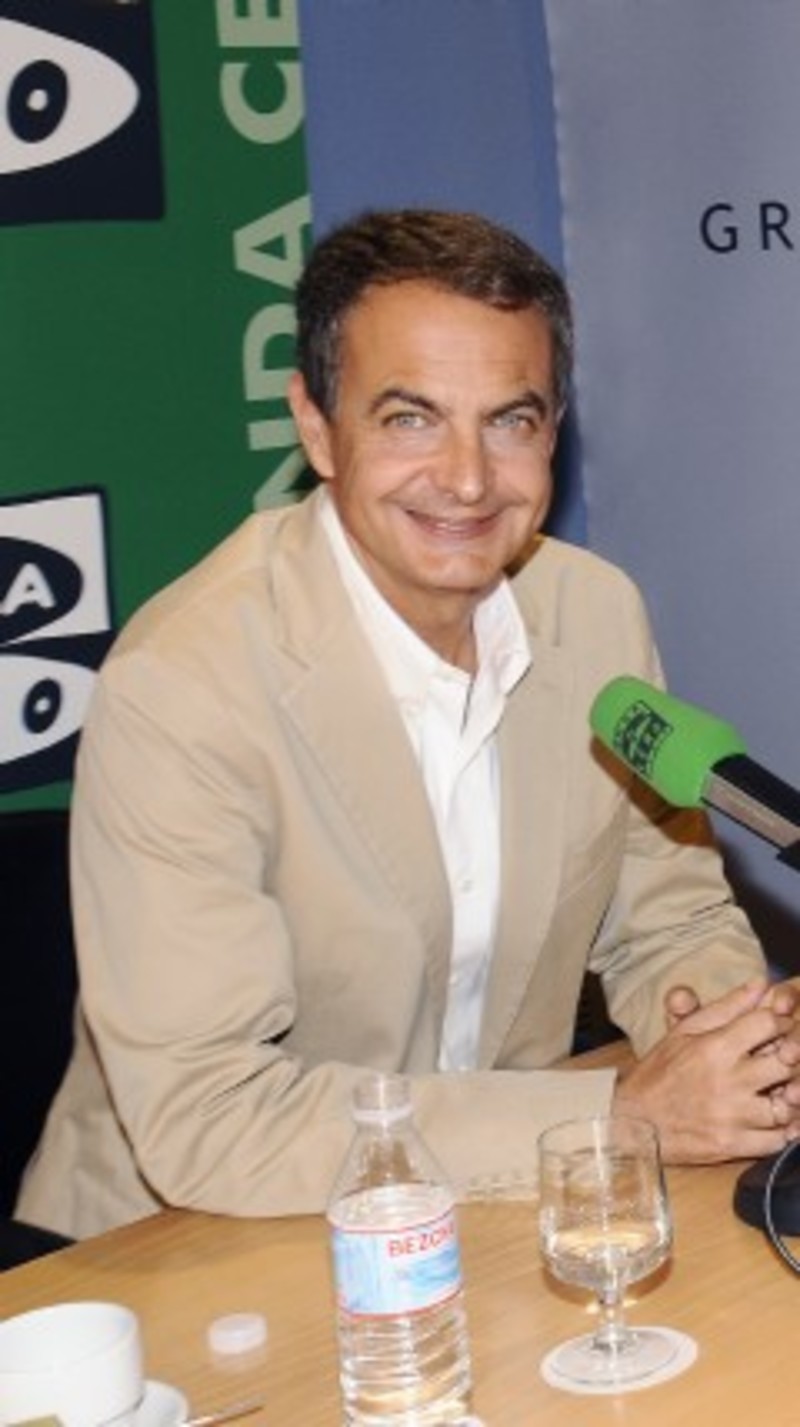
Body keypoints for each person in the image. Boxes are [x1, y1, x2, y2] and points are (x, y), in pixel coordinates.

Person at [17, 209, 800, 1240]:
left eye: (509, 420)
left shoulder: (593, 613)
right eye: (409, 418)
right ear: (315, 427)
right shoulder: (183, 685)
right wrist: (617, 1115)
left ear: (554, 430)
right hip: (187, 1240)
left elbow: (670, 922)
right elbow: (209, 1113)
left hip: (487, 1206)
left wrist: (745, 1060)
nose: (468, 478)